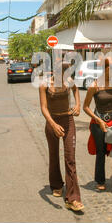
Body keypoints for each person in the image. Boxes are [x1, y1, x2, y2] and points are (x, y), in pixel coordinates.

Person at [39, 62, 84, 212]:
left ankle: (73, 198)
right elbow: (43, 108)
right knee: (53, 154)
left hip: (68, 120)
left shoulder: (69, 81)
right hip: (52, 122)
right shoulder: (44, 84)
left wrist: (78, 105)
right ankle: (56, 184)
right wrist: (52, 124)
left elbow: (76, 91)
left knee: (70, 158)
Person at [83, 56, 112, 202]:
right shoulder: (95, 85)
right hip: (99, 123)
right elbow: (86, 107)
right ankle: (100, 181)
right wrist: (98, 120)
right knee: (101, 152)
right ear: (105, 68)